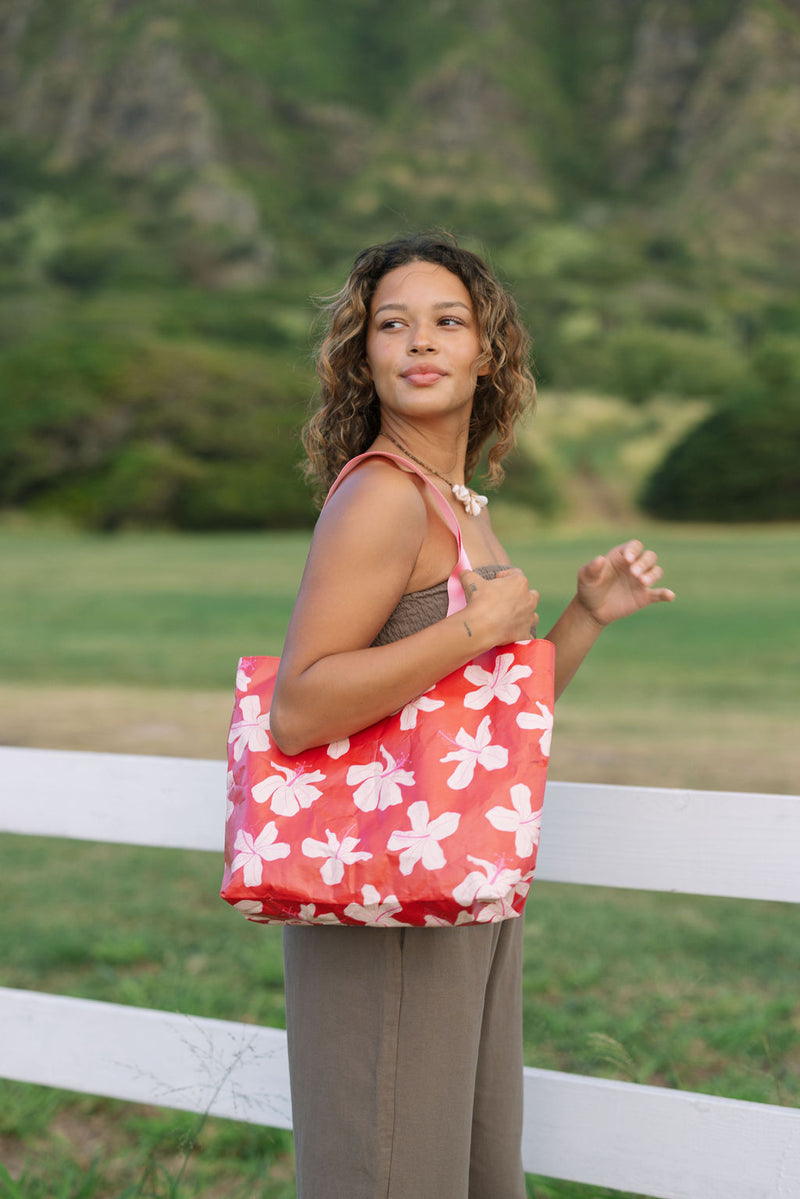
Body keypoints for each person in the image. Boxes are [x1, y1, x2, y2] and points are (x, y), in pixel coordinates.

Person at [269, 233, 674, 1199]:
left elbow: (488, 726)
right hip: (385, 897)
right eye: (392, 324)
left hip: (458, 888)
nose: (421, 342)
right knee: (393, 1171)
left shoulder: (460, 503)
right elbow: (299, 706)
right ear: (361, 354)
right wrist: (471, 629)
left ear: (487, 350)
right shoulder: (380, 495)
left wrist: (581, 617)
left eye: (448, 322)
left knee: (474, 1169)